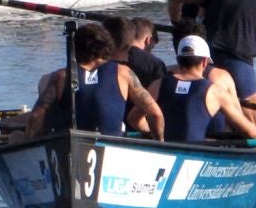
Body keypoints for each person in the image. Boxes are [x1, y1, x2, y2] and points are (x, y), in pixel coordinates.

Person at [27, 23, 163, 139]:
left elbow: (35, 118)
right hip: (112, 147)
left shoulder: (61, 77)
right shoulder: (123, 72)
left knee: (17, 136)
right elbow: (155, 113)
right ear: (107, 47)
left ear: (76, 48)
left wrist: (32, 144)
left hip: (70, 147)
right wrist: (159, 142)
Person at [158, 35, 256, 143]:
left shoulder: (158, 83)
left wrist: (152, 135)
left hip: (162, 148)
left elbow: (140, 118)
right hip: (195, 153)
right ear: (205, 62)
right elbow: (251, 133)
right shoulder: (215, 91)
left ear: (178, 60)